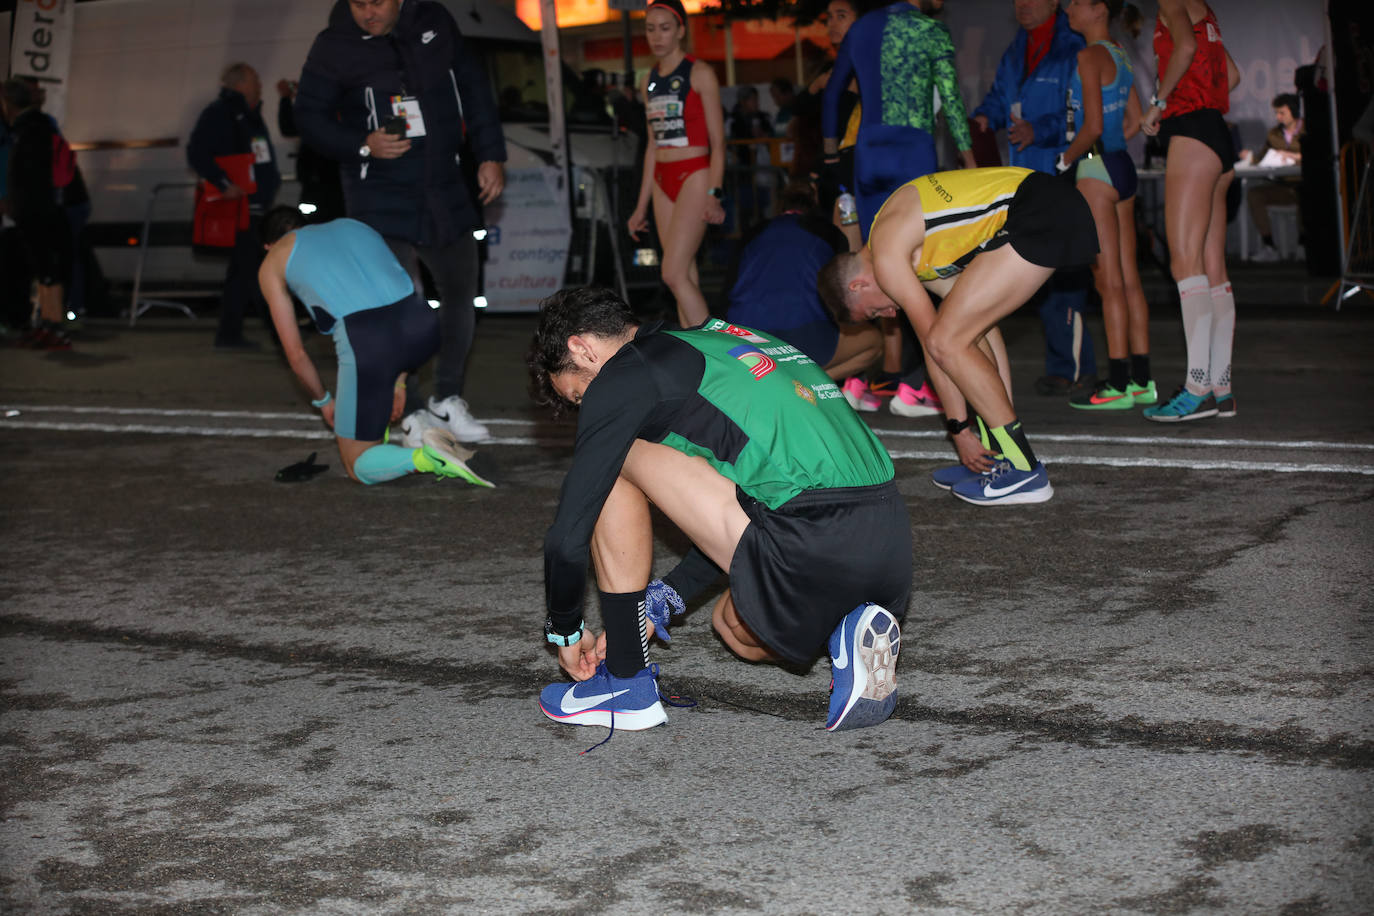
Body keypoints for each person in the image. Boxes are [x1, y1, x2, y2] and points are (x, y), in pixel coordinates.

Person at [528, 286, 911, 734]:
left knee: (616, 459)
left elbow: (568, 534)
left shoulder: (627, 372)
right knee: (733, 628)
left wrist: (565, 629)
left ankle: (626, 685)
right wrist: (660, 603)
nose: (587, 408)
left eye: (579, 396)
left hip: (812, 534)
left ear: (582, 348)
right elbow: (744, 502)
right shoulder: (724, 339)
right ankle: (848, 627)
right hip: (889, 543)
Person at [819, 166, 1099, 506]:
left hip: (1039, 209)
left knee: (945, 340)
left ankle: (1026, 470)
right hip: (1044, 204)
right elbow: (980, 329)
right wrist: (988, 437)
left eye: (874, 312)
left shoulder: (888, 253)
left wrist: (959, 429)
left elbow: (934, 344)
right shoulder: (905, 244)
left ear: (858, 285)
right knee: (967, 331)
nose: (889, 315)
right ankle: (1002, 457)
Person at [294, 0, 507, 446]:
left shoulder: (434, 21)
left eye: (378, 1)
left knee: (461, 293)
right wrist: (361, 144)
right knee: (400, 308)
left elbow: (472, 85)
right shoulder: (334, 45)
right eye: (359, 2)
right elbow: (308, 117)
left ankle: (447, 399)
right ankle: (410, 411)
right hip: (378, 193)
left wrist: (490, 154)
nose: (368, 12)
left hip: (443, 188)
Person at [256, 206, 490, 488]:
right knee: (371, 419)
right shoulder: (352, 225)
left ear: (268, 245)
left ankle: (427, 457)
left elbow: (296, 354)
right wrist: (399, 383)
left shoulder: (274, 260)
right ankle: (411, 427)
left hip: (368, 340)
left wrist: (324, 402)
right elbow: (400, 285)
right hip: (422, 324)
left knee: (357, 463)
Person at [973, 0, 1097, 398]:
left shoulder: (1072, 45)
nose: (1022, 5)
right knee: (1033, 272)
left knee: (1063, 275)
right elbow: (999, 98)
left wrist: (1038, 131)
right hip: (1023, 182)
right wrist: (981, 118)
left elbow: (1083, 115)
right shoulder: (1018, 47)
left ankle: (1074, 366)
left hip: (1060, 173)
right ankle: (1062, 364)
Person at [1141, 0, 1241, 421]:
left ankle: (1197, 387)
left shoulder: (1172, 1)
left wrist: (1159, 102)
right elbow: (1231, 75)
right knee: (1211, 266)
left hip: (1192, 133)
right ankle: (1221, 387)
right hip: (1217, 136)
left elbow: (1183, 49)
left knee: (1185, 264)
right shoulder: (1205, 8)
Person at [1061, 0, 1157, 411]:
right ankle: (1141, 380)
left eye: (1076, 2)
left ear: (1098, 9)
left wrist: (1065, 159)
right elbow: (1134, 121)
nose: (1068, 8)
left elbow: (1093, 126)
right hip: (1122, 167)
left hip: (1095, 170)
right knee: (1130, 279)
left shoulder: (1087, 56)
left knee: (1108, 282)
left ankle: (1117, 385)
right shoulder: (1118, 52)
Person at [628, 0, 726, 329]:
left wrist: (715, 192)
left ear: (681, 30)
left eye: (665, 28)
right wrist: (639, 207)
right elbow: (652, 146)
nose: (657, 36)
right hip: (661, 178)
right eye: (650, 29)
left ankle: (715, 352)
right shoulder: (648, 81)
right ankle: (694, 355)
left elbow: (719, 143)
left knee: (671, 273)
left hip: (694, 174)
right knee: (684, 274)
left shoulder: (699, 73)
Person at [723, 179, 882, 380]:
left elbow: (726, 293)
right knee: (874, 342)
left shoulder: (751, 234)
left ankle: (783, 385)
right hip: (806, 336)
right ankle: (807, 385)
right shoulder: (828, 232)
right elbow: (842, 293)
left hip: (745, 337)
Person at [187, 63, 281, 350]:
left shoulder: (248, 115)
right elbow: (197, 152)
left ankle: (229, 334)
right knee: (257, 272)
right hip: (241, 209)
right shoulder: (221, 113)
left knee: (242, 273)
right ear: (240, 84)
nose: (260, 86)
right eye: (255, 81)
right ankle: (280, 335)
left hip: (252, 206)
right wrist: (223, 182)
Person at [2, 78, 72, 350]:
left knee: (47, 272)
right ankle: (47, 325)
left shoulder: (30, 129)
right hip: (37, 209)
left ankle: (55, 328)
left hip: (36, 211)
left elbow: (30, 176)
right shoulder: (34, 127)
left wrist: (17, 203)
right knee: (43, 271)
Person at [1239, 93, 1304, 262]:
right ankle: (1269, 245)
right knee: (1255, 195)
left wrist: (1293, 156)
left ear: (1294, 111)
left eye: (1282, 112)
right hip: (1282, 186)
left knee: (1307, 196)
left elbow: (1317, 156)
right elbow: (1262, 159)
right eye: (1276, 113)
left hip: (1303, 185)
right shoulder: (1274, 134)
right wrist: (1250, 158)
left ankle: (1303, 244)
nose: (1278, 117)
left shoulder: (1308, 130)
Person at [275, 78, 345, 224]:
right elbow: (288, 127)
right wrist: (287, 99)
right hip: (316, 186)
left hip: (334, 185)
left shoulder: (339, 112)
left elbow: (288, 127)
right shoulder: (313, 115)